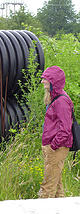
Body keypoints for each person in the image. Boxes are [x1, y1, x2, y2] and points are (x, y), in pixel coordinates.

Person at [38, 66, 73, 198]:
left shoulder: (62, 101)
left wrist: (54, 145)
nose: (42, 82)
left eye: (45, 79)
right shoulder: (54, 97)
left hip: (57, 148)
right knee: (57, 188)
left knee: (47, 188)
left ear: (54, 81)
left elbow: (65, 129)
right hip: (52, 146)